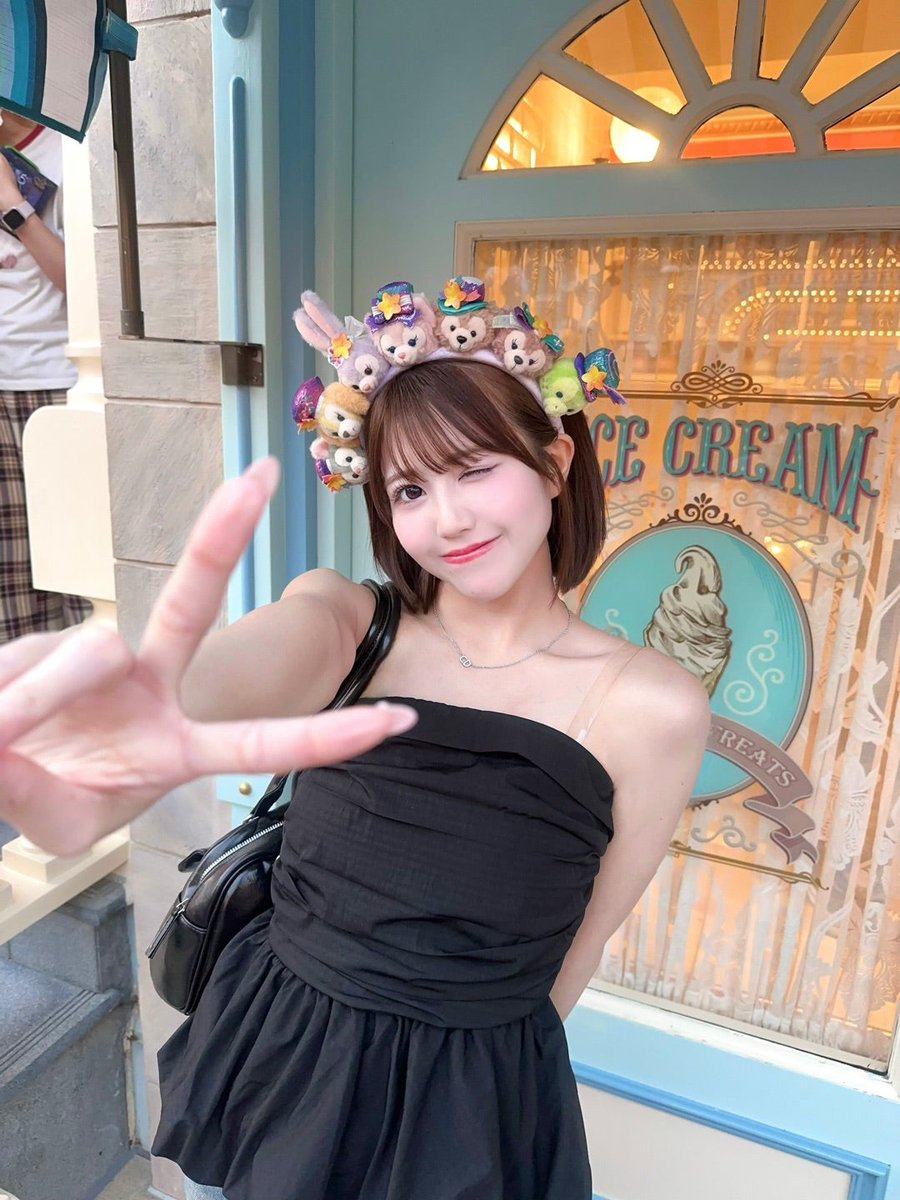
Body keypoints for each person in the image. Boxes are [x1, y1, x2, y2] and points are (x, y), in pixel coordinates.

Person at [0, 280, 710, 1200]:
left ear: (554, 460)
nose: (447, 519)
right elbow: (228, 677)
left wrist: (478, 1092)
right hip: (283, 1062)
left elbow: (579, 947)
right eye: (410, 488)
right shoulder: (348, 624)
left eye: (474, 469)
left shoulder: (652, 707)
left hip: (467, 1112)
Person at [0, 108, 91, 642]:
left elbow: (85, 287)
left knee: (79, 562)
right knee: (11, 585)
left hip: (58, 383)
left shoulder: (67, 150)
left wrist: (13, 208)